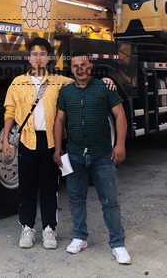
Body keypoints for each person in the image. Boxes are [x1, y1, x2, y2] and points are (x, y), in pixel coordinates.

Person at [3, 39, 115, 250]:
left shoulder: (59, 82)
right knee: (26, 187)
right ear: (29, 58)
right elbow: (10, 111)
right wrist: (5, 139)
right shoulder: (17, 83)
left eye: (42, 54)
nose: (38, 58)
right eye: (34, 54)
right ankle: (27, 228)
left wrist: (105, 80)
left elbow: (83, 80)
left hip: (50, 142)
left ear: (48, 58)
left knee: (49, 188)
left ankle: (49, 229)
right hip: (27, 141)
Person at [53, 51, 131, 264]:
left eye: (84, 64)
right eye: (75, 65)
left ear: (91, 66)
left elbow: (120, 115)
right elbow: (59, 120)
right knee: (76, 198)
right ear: (71, 69)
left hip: (102, 156)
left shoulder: (105, 88)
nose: (80, 68)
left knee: (110, 201)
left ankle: (118, 244)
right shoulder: (66, 92)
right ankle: (80, 237)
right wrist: (58, 149)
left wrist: (120, 144)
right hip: (75, 155)